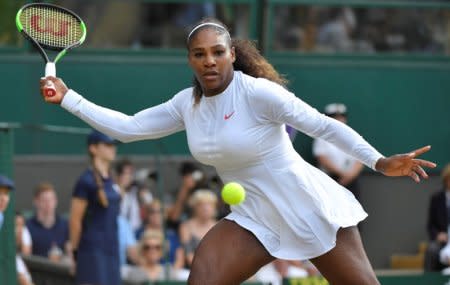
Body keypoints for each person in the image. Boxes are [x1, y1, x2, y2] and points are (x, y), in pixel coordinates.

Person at [40, 18, 436, 285]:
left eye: (217, 52)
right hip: (253, 219)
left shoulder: (258, 93)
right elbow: (127, 129)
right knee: (203, 277)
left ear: (232, 54)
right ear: (190, 60)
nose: (209, 60)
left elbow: (323, 124)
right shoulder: (186, 104)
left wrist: (380, 162)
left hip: (308, 209)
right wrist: (68, 98)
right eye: (199, 54)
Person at [69, 130, 122, 285]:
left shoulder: (112, 180)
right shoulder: (85, 181)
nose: (112, 148)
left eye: (113, 145)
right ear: (93, 148)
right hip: (92, 251)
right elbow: (75, 221)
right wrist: (75, 253)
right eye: (107, 144)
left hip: (112, 249)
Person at [312, 103, 364, 200]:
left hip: (352, 180)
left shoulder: (353, 136)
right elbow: (322, 158)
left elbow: (361, 159)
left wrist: (350, 176)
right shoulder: (321, 137)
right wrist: (341, 174)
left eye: (341, 117)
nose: (339, 120)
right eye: (334, 117)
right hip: (330, 179)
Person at [123, 229, 188, 283]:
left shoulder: (169, 273)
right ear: (142, 250)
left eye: (157, 247)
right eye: (147, 247)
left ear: (162, 250)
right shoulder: (134, 274)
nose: (152, 251)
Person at [26, 182, 69, 259]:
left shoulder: (65, 225)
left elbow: (70, 251)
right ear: (36, 202)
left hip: (61, 269)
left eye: (51, 199)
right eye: (44, 200)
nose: (48, 203)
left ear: (56, 201)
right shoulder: (28, 227)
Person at [179, 190, 218, 268]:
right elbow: (188, 252)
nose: (205, 208)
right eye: (201, 204)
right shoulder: (186, 227)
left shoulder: (220, 226)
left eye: (209, 204)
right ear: (194, 207)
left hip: (217, 268)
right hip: (192, 270)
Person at [424, 163, 450, 272]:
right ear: (445, 179)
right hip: (443, 242)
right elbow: (431, 225)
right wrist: (438, 235)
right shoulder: (436, 198)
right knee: (431, 250)